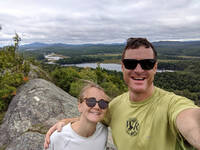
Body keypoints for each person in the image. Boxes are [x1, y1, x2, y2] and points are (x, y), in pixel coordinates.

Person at [44, 38, 200, 150]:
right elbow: (92, 114)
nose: (138, 70)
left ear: (155, 67)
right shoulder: (115, 106)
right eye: (131, 63)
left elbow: (190, 121)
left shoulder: (173, 104)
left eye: (147, 64)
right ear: (123, 67)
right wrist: (66, 123)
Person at [46, 81, 110, 150]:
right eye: (91, 101)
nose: (97, 107)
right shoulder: (58, 137)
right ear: (79, 105)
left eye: (103, 103)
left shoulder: (103, 132)